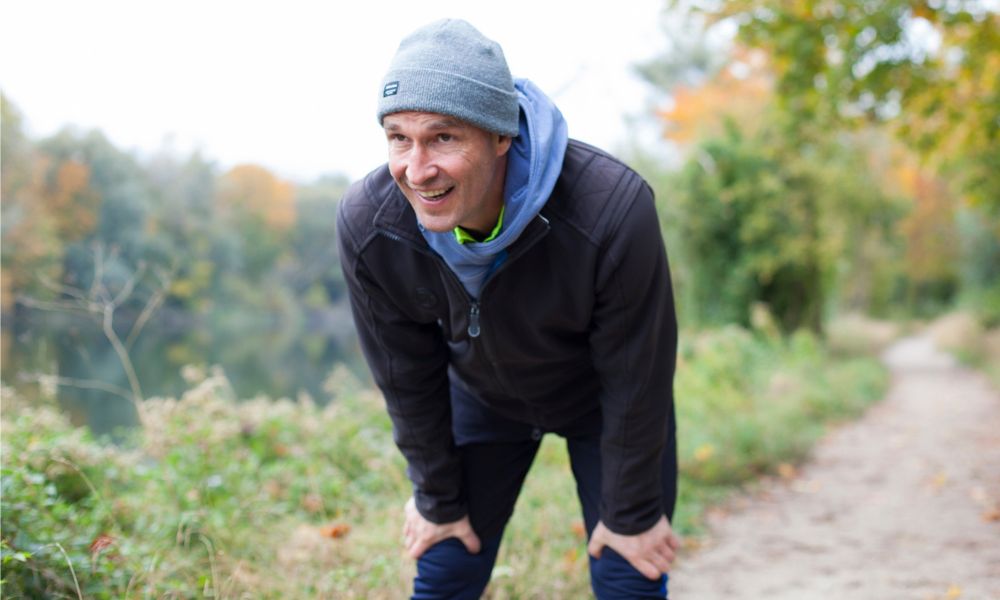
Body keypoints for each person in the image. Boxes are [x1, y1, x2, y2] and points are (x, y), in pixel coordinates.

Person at [337, 18, 679, 599]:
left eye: (444, 138)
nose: (417, 170)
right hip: (482, 396)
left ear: (503, 136)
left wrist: (631, 515)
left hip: (604, 403)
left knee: (629, 572)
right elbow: (406, 379)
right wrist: (436, 499)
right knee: (445, 563)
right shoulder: (373, 227)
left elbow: (637, 376)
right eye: (399, 138)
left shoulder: (613, 211)